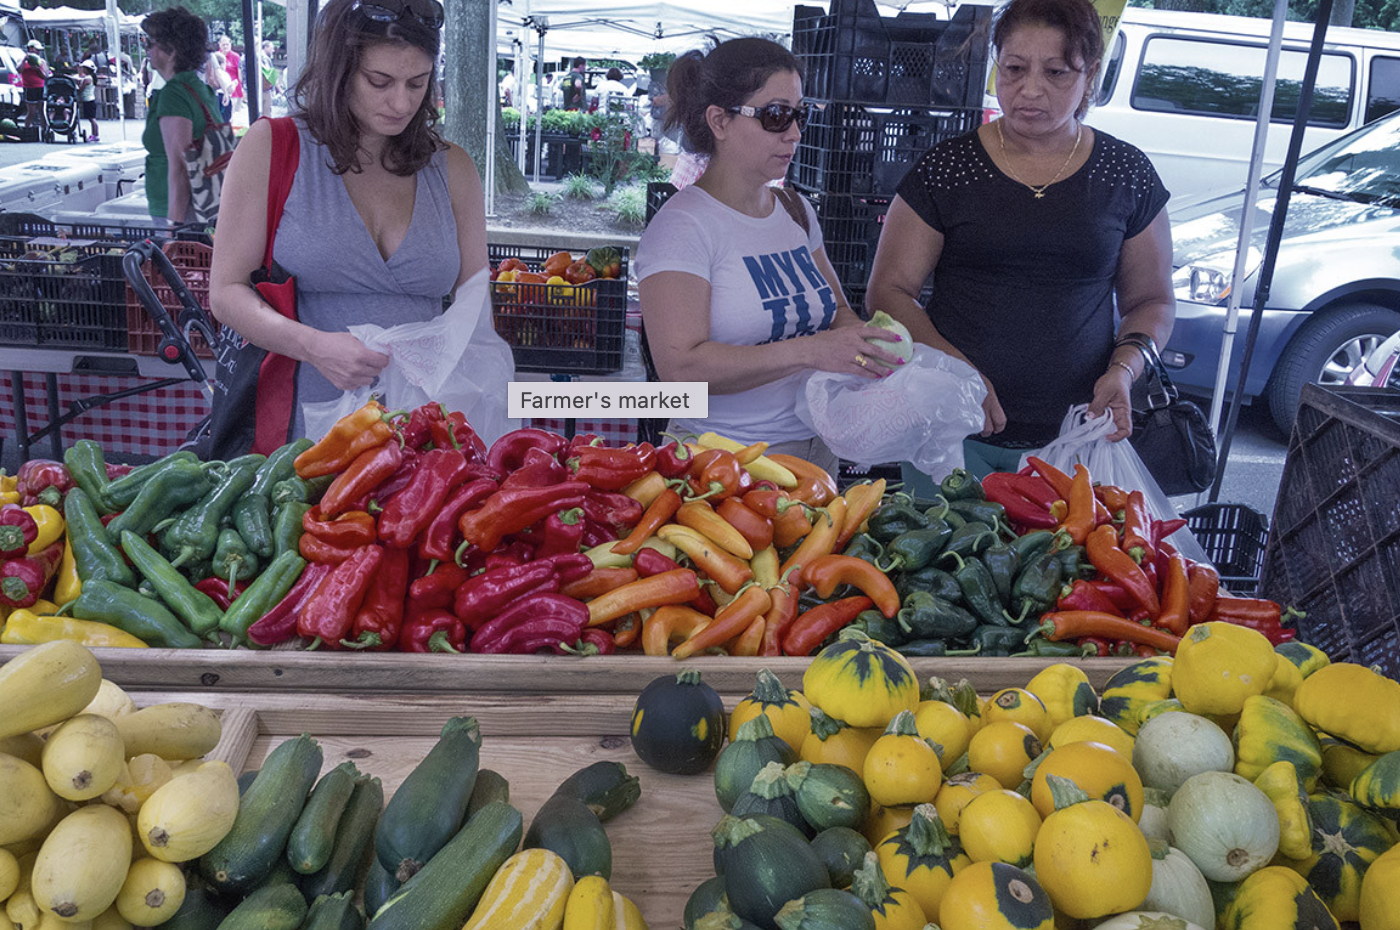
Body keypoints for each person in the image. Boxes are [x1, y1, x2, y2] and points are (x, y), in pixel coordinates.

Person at [865, 0, 1175, 484]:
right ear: (996, 65)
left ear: (1090, 73)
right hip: (950, 428)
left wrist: (1125, 370)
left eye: (1056, 72)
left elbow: (1151, 299)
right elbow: (888, 291)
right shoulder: (947, 169)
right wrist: (959, 375)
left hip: (1076, 437)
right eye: (1014, 68)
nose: (1031, 90)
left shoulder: (1126, 173)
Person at [208, 0, 490, 440]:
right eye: (380, 81)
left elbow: (475, 307)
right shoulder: (272, 147)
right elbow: (225, 293)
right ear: (339, 70)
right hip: (298, 430)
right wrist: (313, 346)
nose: (401, 102)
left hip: (423, 437)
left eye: (417, 83)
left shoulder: (454, 168)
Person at [636, 38, 903, 474]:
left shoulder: (796, 210)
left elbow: (836, 311)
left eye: (800, 114)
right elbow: (680, 369)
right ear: (719, 121)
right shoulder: (683, 226)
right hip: (723, 465)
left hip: (815, 456)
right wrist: (810, 351)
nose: (794, 132)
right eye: (775, 115)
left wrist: (865, 346)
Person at [141, 7, 222, 224]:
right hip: (206, 206)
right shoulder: (198, 88)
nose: (147, 49)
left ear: (171, 50)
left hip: (181, 212)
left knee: (180, 258)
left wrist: (173, 231)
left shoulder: (174, 95)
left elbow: (180, 169)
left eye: (150, 43)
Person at [20, 40, 48, 130]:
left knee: (41, 110)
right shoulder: (23, 60)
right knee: (31, 111)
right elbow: (19, 70)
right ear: (30, 48)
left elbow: (45, 76)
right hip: (29, 88)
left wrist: (38, 70)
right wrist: (24, 59)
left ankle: (44, 130)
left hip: (40, 87)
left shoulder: (41, 61)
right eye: (37, 49)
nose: (38, 51)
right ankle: (27, 129)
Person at [77, 60, 99, 142]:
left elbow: (80, 89)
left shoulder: (87, 79)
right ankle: (95, 134)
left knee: (92, 119)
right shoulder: (90, 77)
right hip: (90, 100)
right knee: (91, 118)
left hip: (88, 100)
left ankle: (95, 135)